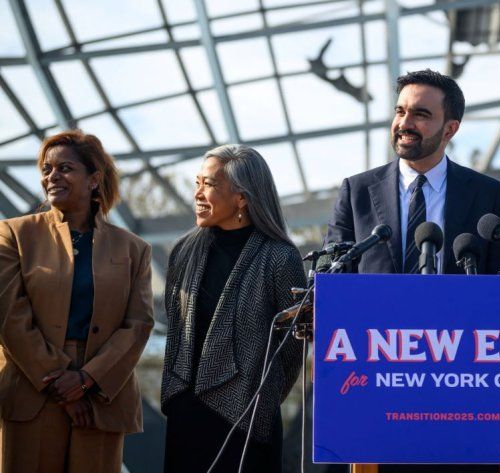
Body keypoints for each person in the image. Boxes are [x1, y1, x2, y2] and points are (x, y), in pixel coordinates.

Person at [0, 130, 154, 473]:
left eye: (64, 168)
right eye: (46, 169)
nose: (51, 177)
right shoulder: (13, 234)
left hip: (101, 395)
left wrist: (86, 379)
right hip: (32, 390)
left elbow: (138, 324)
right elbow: (9, 316)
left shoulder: (134, 249)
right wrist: (58, 380)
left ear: (94, 179)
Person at [160, 144, 305, 473]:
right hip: (186, 414)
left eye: (208, 185)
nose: (198, 193)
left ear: (242, 197)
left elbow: (291, 350)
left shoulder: (280, 257)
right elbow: (176, 330)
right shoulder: (183, 251)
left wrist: (258, 395)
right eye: (197, 182)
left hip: (248, 418)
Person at [326, 68, 500, 275]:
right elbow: (331, 279)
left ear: (449, 129)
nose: (404, 123)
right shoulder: (356, 192)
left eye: (420, 114)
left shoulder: (487, 195)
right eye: (400, 111)